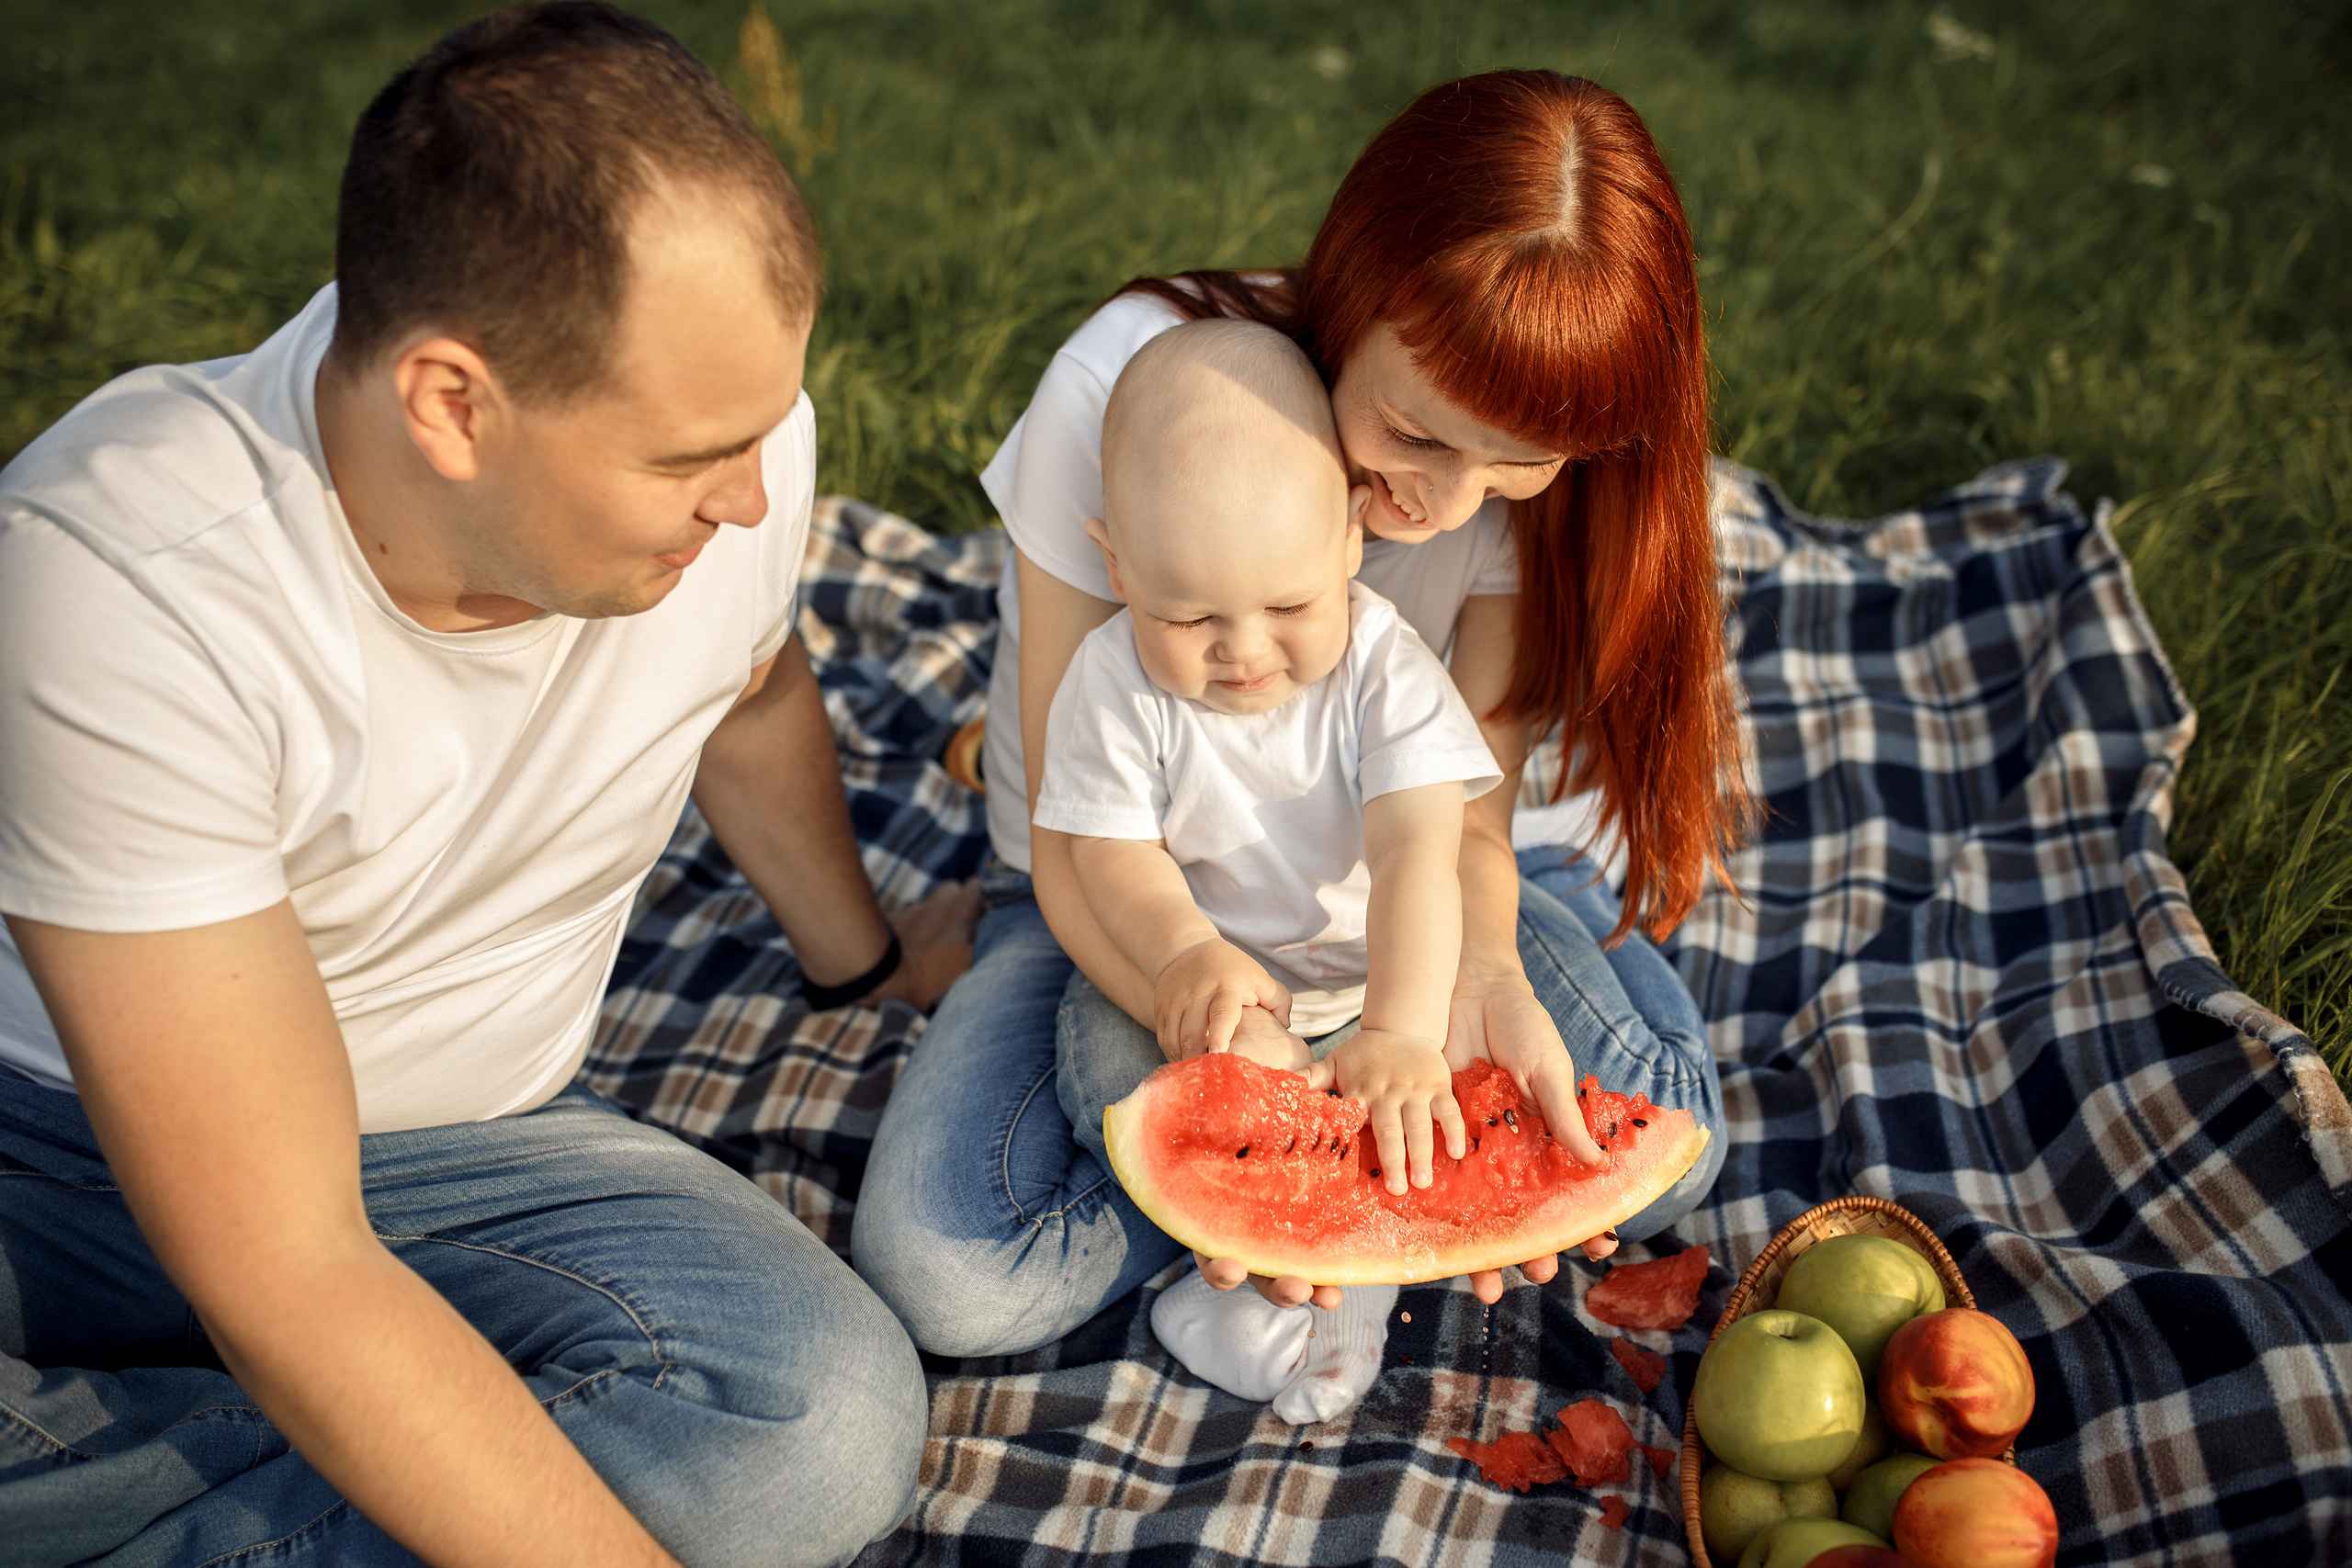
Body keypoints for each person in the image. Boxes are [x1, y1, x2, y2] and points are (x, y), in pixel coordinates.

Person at [0, 7, 974, 1566]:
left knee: (813, 1428)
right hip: (47, 1142)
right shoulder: (119, 578)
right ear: (452, 403)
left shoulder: (748, 457)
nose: (756, 492)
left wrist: (857, 957)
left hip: (467, 1148)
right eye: (685, 459)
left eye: (764, 425)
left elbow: (748, 682)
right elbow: (284, 1257)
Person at [854, 70, 1747, 1363]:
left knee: (1666, 1156)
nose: (1450, 505)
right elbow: (1077, 844)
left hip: (1417, 885)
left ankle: (1321, 1194)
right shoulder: (1134, 391)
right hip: (1128, 908)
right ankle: (1309, 1199)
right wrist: (1226, 1052)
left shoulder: (1494, 492)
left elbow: (1459, 825)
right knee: (953, 1280)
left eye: (1515, 464)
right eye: (1410, 435)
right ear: (1352, 287)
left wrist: (1475, 979)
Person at [1037, 320, 1506, 1420]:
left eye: (1290, 607)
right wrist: (1183, 958)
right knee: (1141, 1086)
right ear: (1116, 565)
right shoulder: (1111, 680)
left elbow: (1414, 860)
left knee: (1419, 1119)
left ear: (1351, 542)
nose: (1243, 651)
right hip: (1178, 983)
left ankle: (1289, 1296)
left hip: (1379, 979)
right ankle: (1252, 1293)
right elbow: (1111, 854)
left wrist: (1397, 1029)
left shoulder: (1387, 670)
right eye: (1188, 614)